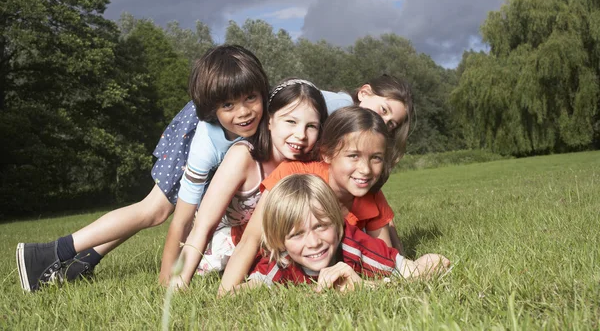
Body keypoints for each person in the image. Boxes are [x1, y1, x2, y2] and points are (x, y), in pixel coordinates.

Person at [16, 45, 271, 292]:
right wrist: (166, 282)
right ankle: (48, 254)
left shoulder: (266, 116)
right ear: (216, 108)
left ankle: (83, 261)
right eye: (230, 105)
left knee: (157, 210)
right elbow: (181, 222)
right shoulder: (205, 140)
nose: (244, 112)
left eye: (251, 98)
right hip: (196, 127)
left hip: (218, 126)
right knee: (156, 210)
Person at [219, 106, 404, 294]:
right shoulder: (295, 177)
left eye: (376, 158)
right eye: (354, 156)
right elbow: (250, 239)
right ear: (327, 153)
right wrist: (225, 292)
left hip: (313, 257)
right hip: (261, 254)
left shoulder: (370, 196)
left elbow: (384, 263)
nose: (365, 169)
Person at [163, 79, 328, 287]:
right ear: (269, 120)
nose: (300, 135)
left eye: (311, 126)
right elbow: (202, 227)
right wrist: (178, 285)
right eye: (291, 122)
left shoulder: (306, 165)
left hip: (265, 240)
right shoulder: (243, 157)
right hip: (223, 240)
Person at [244, 174, 450, 290]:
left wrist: (364, 287)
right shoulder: (281, 260)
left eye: (321, 226)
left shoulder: (354, 246)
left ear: (337, 223)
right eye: (297, 234)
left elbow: (437, 262)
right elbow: (239, 294)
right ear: (279, 241)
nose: (314, 242)